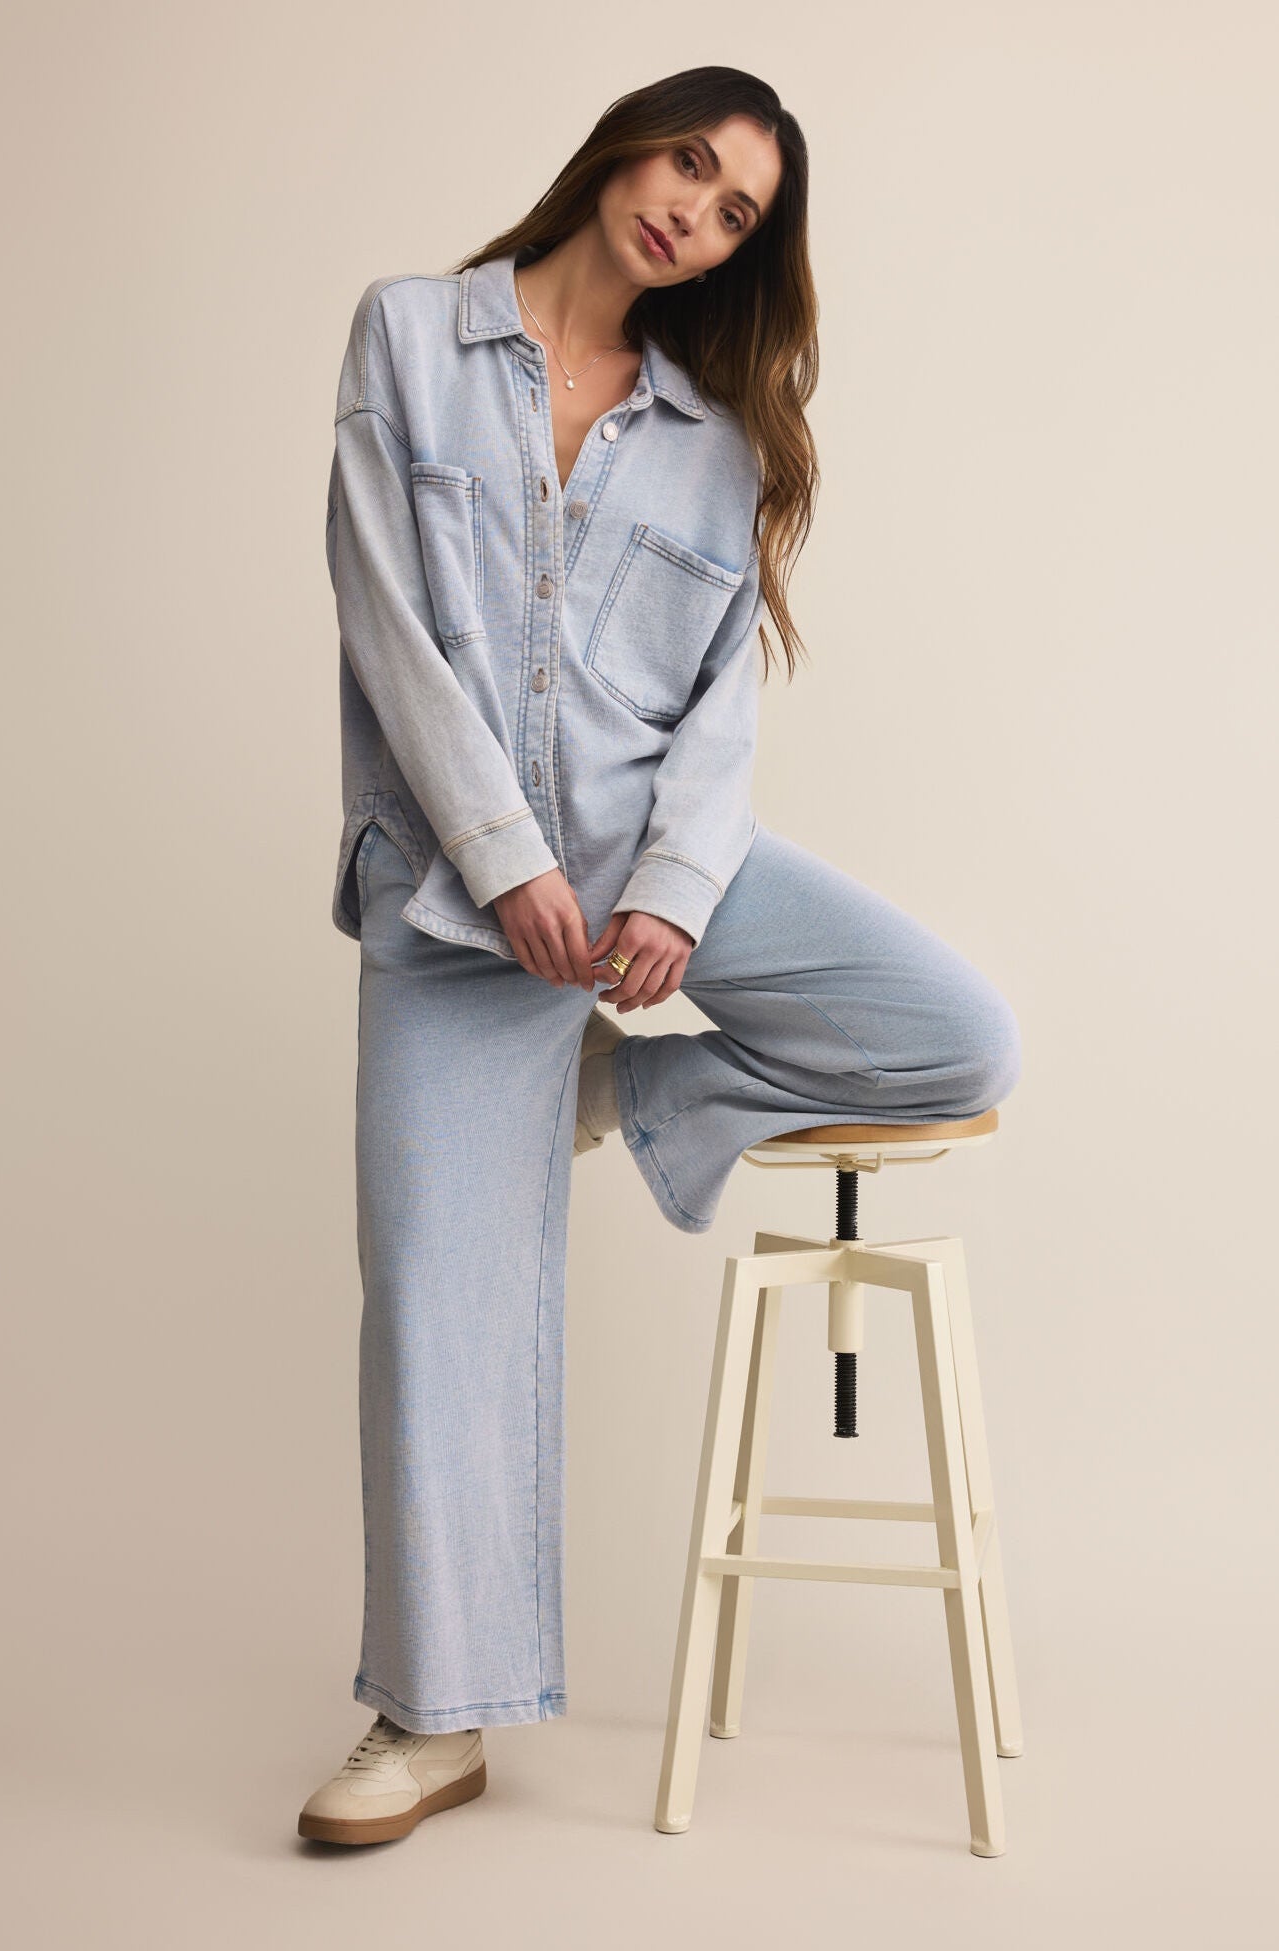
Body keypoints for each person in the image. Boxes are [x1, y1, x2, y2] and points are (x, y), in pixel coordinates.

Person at [298, 66, 1022, 1847]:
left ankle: (618, 1085)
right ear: (628, 140)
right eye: (690, 164)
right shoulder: (409, 334)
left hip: (649, 880)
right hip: (457, 904)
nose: (692, 214)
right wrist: (504, 859)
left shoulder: (717, 430)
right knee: (433, 1308)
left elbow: (715, 714)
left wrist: (679, 894)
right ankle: (430, 1717)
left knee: (954, 1033)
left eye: (734, 211)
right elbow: (386, 621)